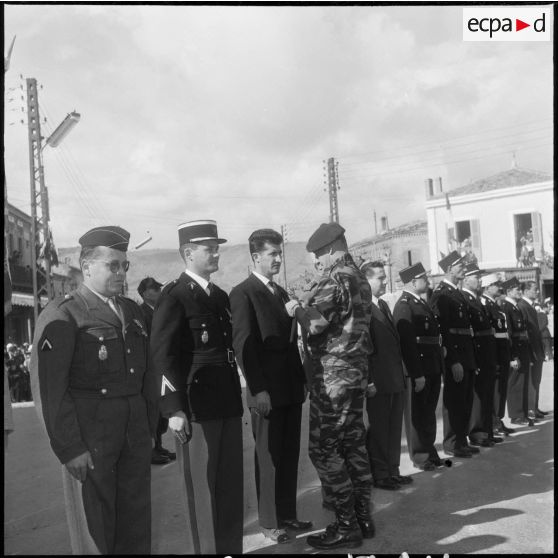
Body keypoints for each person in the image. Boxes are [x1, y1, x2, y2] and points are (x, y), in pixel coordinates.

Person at [29, 225, 152, 554]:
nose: (121, 272)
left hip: (133, 435)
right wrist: (69, 447)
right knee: (95, 530)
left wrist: (150, 427)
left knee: (136, 523)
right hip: (90, 440)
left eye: (124, 265)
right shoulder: (64, 313)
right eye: (113, 265)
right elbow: (50, 391)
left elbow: (148, 377)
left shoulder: (132, 310)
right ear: (86, 267)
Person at [149, 220, 244, 554]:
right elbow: (162, 355)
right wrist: (172, 408)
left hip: (228, 401)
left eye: (217, 246)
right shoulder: (174, 296)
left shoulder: (218, 296)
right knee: (204, 488)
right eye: (210, 247)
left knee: (230, 485)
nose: (216, 252)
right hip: (197, 405)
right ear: (188, 253)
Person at [286, 222, 374, 550]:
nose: (317, 263)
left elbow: (316, 323)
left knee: (325, 450)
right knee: (354, 447)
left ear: (330, 249)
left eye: (319, 256)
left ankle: (345, 525)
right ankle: (364, 517)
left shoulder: (334, 278)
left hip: (333, 379)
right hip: (355, 375)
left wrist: (295, 309)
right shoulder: (360, 278)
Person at [230, 228, 310, 544]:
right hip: (266, 391)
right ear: (255, 257)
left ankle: (287, 514)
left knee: (289, 455)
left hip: (289, 388)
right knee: (269, 457)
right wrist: (257, 388)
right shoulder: (244, 293)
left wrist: (301, 382)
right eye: (272, 254)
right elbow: (244, 346)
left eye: (280, 253)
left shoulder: (281, 292)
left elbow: (292, 345)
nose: (278, 258)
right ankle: (269, 521)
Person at [393, 262, 448, 471]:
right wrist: (416, 374)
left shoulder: (420, 303)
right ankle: (420, 455)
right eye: (424, 278)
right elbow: (407, 344)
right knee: (418, 414)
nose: (428, 281)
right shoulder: (404, 305)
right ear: (413, 282)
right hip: (420, 369)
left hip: (432, 365)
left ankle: (429, 451)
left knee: (428, 413)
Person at [360, 260, 410, 489]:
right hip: (379, 380)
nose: (384, 281)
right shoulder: (364, 309)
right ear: (366, 280)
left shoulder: (381, 304)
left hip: (394, 377)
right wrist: (369, 380)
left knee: (393, 428)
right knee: (380, 429)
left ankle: (392, 469)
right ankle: (380, 474)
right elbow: (365, 349)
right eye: (379, 277)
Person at [429, 251, 479, 459]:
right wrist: (453, 361)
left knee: (465, 399)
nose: (464, 268)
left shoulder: (456, 293)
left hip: (466, 352)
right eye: (460, 265)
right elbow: (444, 331)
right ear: (449, 269)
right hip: (455, 355)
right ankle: (452, 443)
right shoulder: (441, 294)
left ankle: (461, 440)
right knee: (455, 400)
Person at [460, 263, 501, 448]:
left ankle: (487, 431)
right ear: (466, 279)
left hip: (486, 353)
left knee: (486, 395)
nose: (479, 281)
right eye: (476, 277)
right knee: (478, 396)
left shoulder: (476, 299)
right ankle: (477, 433)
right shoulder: (465, 299)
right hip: (478, 353)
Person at [137, 276, 176, 465]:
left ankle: (158, 445)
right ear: (145, 294)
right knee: (152, 411)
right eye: (155, 289)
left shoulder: (160, 310)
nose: (159, 291)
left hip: (161, 368)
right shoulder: (141, 313)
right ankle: (152, 450)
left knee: (161, 412)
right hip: (150, 368)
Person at [480, 274, 515, 437]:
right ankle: (493, 421)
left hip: (502, 352)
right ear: (487, 287)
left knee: (501, 390)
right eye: (495, 284)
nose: (499, 287)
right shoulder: (485, 304)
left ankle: (498, 419)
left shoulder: (495, 305)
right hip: (494, 353)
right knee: (495, 391)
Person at [500, 277, 536, 426]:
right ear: (509, 291)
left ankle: (523, 413)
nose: (519, 292)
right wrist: (512, 356)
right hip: (516, 350)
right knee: (515, 383)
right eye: (516, 289)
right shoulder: (507, 307)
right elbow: (509, 333)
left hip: (523, 349)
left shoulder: (515, 307)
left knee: (523, 383)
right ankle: (516, 415)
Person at [518, 281, 547, 418]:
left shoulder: (530, 305)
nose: (537, 292)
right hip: (531, 350)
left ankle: (534, 407)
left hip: (537, 349)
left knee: (536, 380)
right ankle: (530, 409)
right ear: (525, 291)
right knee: (531, 382)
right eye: (535, 289)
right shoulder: (522, 306)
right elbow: (525, 331)